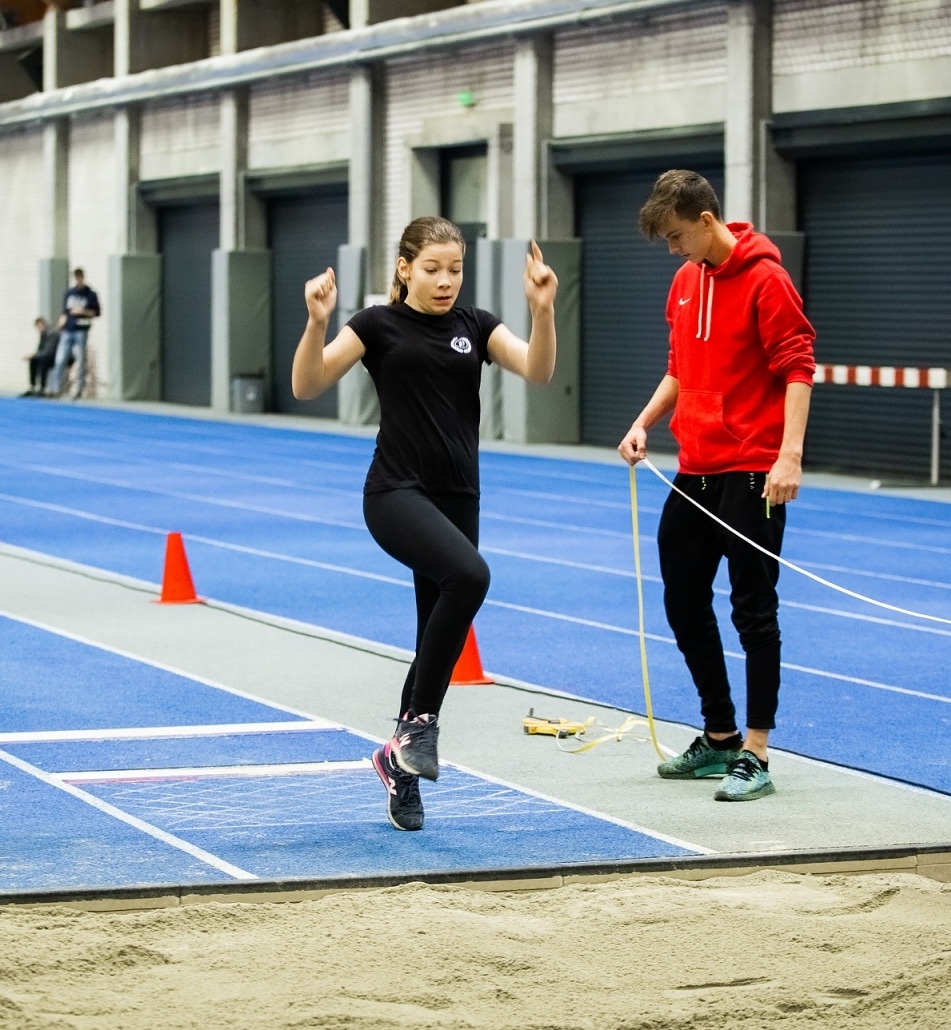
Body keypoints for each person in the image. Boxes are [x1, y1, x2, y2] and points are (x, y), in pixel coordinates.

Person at [291, 217, 558, 831]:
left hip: (459, 495)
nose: (445, 282)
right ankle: (418, 731)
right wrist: (315, 322)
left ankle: (399, 767)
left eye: (456, 270)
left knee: (431, 640)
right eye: (433, 269)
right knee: (470, 576)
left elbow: (537, 371)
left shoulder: (477, 326)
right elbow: (308, 384)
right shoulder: (377, 325)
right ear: (405, 268)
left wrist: (542, 311)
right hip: (395, 492)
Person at [618, 170, 815, 803]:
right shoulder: (683, 282)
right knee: (682, 596)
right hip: (695, 465)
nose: (672, 250)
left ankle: (756, 752)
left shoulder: (766, 279)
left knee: (753, 608)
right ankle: (720, 735)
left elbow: (798, 367)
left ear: (707, 222)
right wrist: (644, 422)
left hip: (755, 464)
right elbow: (680, 368)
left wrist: (789, 457)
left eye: (677, 237)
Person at [49, 268, 99, 399]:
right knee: (60, 360)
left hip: (81, 330)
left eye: (79, 277)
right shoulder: (69, 293)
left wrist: (82, 311)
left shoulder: (90, 294)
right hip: (68, 330)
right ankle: (56, 388)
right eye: (75, 278)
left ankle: (79, 389)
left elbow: (96, 313)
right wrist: (62, 319)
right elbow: (65, 311)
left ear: (83, 277)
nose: (78, 280)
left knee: (81, 360)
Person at [23, 316, 59, 397]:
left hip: (52, 358)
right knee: (33, 361)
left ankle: (42, 388)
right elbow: (40, 350)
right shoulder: (42, 335)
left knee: (43, 361)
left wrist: (34, 355)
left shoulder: (52, 334)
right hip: (45, 357)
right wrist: (33, 356)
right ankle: (32, 386)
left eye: (40, 326)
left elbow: (48, 352)